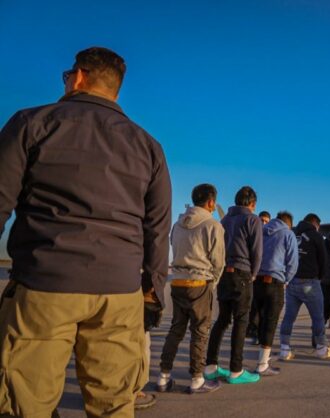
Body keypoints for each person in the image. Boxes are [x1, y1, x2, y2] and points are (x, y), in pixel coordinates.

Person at [0, 47, 171, 416]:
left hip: (45, 282)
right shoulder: (148, 146)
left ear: (77, 76)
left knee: (25, 401)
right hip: (120, 292)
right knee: (114, 404)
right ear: (116, 90)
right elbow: (157, 227)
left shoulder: (32, 123)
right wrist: (153, 289)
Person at [156, 184, 225, 394]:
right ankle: (196, 378)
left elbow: (172, 247)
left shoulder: (177, 224)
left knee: (176, 329)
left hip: (178, 282)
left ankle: (163, 375)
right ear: (211, 202)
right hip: (199, 283)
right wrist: (213, 282)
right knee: (200, 331)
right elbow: (218, 260)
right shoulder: (213, 225)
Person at [205, 186, 262, 384]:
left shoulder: (225, 220)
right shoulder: (252, 219)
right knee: (241, 321)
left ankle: (210, 366)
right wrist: (253, 274)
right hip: (242, 273)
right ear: (252, 204)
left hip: (224, 274)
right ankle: (236, 370)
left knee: (222, 320)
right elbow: (256, 251)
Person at [279, 214, 330, 360]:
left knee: (289, 317)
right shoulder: (316, 236)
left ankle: (285, 349)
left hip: (292, 281)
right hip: (310, 282)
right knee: (317, 317)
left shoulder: (292, 234)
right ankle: (321, 348)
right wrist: (320, 277)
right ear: (315, 224)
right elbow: (324, 260)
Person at [253, 211, 298, 375]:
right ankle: (262, 363)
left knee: (261, 319)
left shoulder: (260, 231)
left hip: (257, 281)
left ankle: (262, 357)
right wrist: (286, 279)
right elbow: (293, 262)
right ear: (289, 223)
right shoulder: (288, 234)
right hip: (275, 281)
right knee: (271, 323)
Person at [246, 210, 272, 344]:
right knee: (253, 307)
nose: (263, 223)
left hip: (265, 277)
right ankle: (253, 332)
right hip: (253, 276)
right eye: (262, 220)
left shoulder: (271, 237)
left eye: (267, 221)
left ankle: (260, 334)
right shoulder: (252, 234)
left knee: (264, 309)